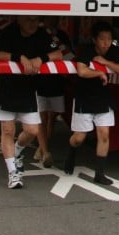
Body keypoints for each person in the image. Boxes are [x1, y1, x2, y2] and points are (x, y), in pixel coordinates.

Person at [0, 15, 62, 190]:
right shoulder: (9, 33)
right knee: (7, 129)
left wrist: (41, 59)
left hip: (28, 88)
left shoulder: (42, 35)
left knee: (32, 130)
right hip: (5, 87)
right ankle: (13, 173)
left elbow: (59, 53)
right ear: (19, 20)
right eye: (28, 20)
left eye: (36, 20)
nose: (32, 24)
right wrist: (18, 57)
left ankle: (17, 151)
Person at [63, 21, 119, 184]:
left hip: (104, 98)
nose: (106, 42)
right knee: (79, 138)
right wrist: (98, 72)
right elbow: (81, 71)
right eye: (102, 39)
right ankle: (71, 151)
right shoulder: (86, 50)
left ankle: (99, 173)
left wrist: (106, 63)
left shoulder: (115, 51)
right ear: (95, 39)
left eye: (109, 38)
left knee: (104, 134)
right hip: (84, 97)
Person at [34, 17, 73, 167]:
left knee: (52, 116)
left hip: (57, 82)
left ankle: (41, 146)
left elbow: (68, 56)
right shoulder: (37, 35)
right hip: (39, 83)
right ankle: (45, 151)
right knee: (42, 117)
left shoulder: (61, 36)